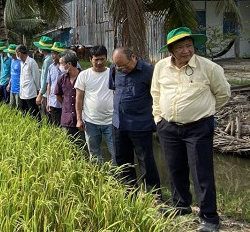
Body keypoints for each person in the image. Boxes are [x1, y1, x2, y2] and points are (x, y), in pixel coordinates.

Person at [151, 27, 230, 232]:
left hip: (198, 127)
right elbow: (156, 93)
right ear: (171, 50)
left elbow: (223, 94)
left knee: (201, 172)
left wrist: (204, 113)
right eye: (180, 47)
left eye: (189, 45)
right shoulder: (161, 67)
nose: (186, 50)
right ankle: (181, 205)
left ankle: (209, 217)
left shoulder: (209, 68)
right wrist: (159, 118)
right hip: (168, 127)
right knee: (175, 168)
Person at [110, 47, 162, 198]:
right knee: (123, 161)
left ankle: (154, 195)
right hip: (119, 123)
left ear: (134, 57)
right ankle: (129, 193)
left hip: (140, 123)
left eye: (125, 66)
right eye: (119, 67)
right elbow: (115, 88)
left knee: (146, 160)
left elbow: (157, 95)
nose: (122, 69)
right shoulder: (115, 68)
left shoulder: (148, 71)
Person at [74, 45, 114, 164]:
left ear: (106, 58)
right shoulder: (84, 75)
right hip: (91, 121)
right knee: (94, 153)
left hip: (111, 121)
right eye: (96, 59)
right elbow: (79, 99)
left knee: (116, 153)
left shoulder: (112, 73)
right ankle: (99, 178)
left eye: (102, 59)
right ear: (90, 59)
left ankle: (117, 179)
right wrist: (79, 119)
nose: (100, 62)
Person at [55, 50, 86, 149]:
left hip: (84, 118)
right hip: (67, 119)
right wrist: (66, 104)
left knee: (84, 146)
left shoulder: (84, 77)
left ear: (69, 64)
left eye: (61, 63)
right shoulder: (62, 79)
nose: (59, 66)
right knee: (69, 147)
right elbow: (58, 95)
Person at [45, 42, 67, 126]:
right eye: (52, 53)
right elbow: (49, 85)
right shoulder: (51, 67)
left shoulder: (71, 66)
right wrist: (48, 102)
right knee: (55, 126)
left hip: (66, 103)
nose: (52, 55)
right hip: (54, 102)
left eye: (54, 53)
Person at [17, 44, 41, 120]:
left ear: (19, 53)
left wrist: (38, 90)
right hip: (22, 92)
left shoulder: (31, 62)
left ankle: (38, 127)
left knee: (34, 113)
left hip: (30, 92)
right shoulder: (21, 62)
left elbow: (36, 77)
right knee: (23, 112)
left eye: (16, 53)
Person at [34, 36, 54, 121]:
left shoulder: (47, 61)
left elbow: (45, 78)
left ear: (42, 48)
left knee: (48, 115)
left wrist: (40, 94)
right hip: (50, 91)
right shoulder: (50, 58)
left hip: (47, 92)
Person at [5, 44, 21, 109]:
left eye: (10, 53)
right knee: (11, 106)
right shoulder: (12, 61)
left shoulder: (20, 62)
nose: (9, 55)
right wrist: (9, 84)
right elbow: (12, 74)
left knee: (19, 106)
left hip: (19, 89)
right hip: (12, 88)